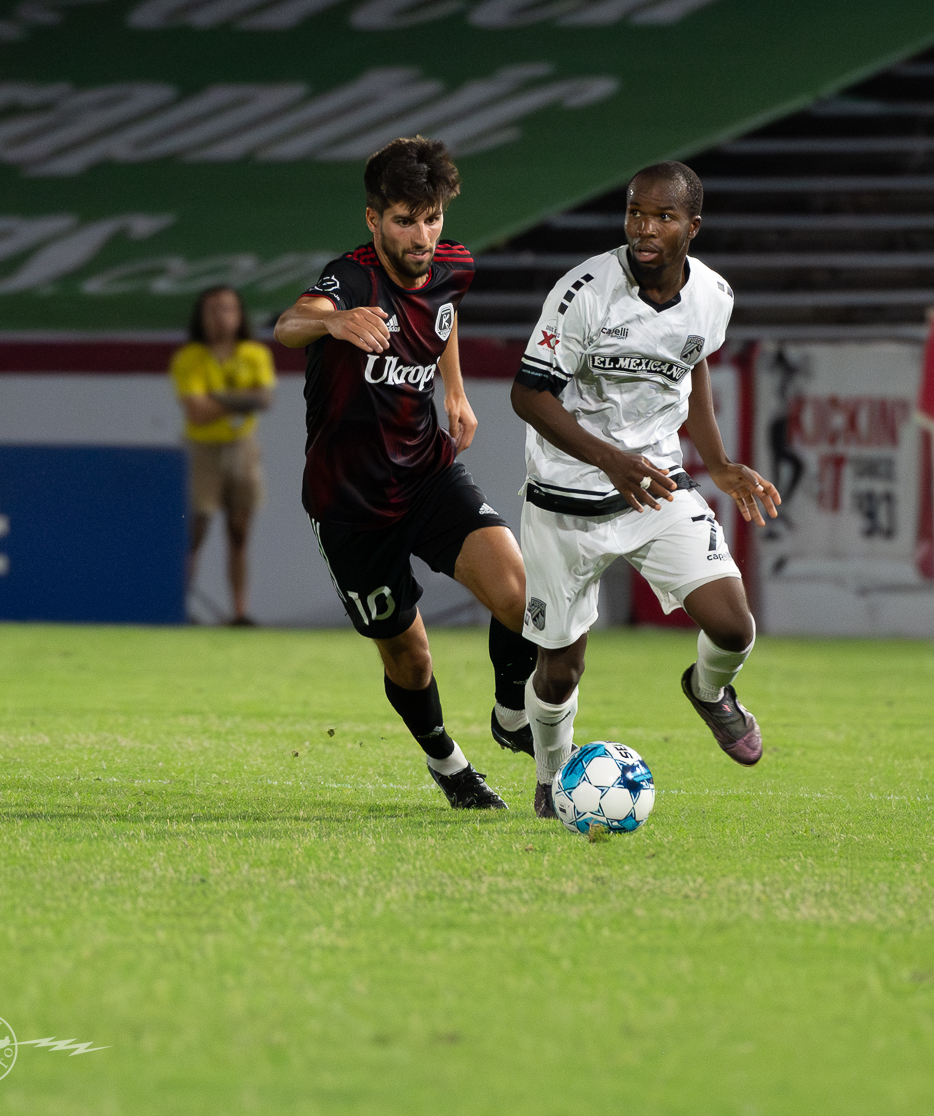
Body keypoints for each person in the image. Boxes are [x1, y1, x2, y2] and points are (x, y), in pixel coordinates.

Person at [510, 160, 782, 817]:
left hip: (657, 487)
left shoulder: (713, 295)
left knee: (734, 625)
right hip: (566, 501)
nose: (645, 227)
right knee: (560, 672)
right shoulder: (583, 292)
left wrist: (716, 462)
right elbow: (528, 393)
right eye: (636, 212)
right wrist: (610, 461)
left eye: (663, 216)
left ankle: (711, 692)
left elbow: (694, 363)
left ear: (693, 225)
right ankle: (551, 780)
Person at [274, 136, 537, 811]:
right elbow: (289, 324)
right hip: (351, 499)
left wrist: (454, 389)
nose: (421, 236)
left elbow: (443, 316)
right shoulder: (353, 279)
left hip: (425, 472)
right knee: (411, 658)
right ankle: (448, 764)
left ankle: (511, 716)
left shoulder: (453, 265)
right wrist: (333, 325)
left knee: (517, 591)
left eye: (431, 218)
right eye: (403, 220)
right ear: (373, 221)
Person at [170, 286, 275, 626]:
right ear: (201, 316)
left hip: (242, 446)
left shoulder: (255, 353)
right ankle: (177, 607)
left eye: (227, 308)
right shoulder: (189, 357)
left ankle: (239, 611)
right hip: (203, 448)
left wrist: (218, 397)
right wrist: (241, 399)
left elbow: (263, 399)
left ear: (239, 314)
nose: (221, 316)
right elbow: (196, 412)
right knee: (194, 529)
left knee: (240, 530)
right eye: (212, 309)